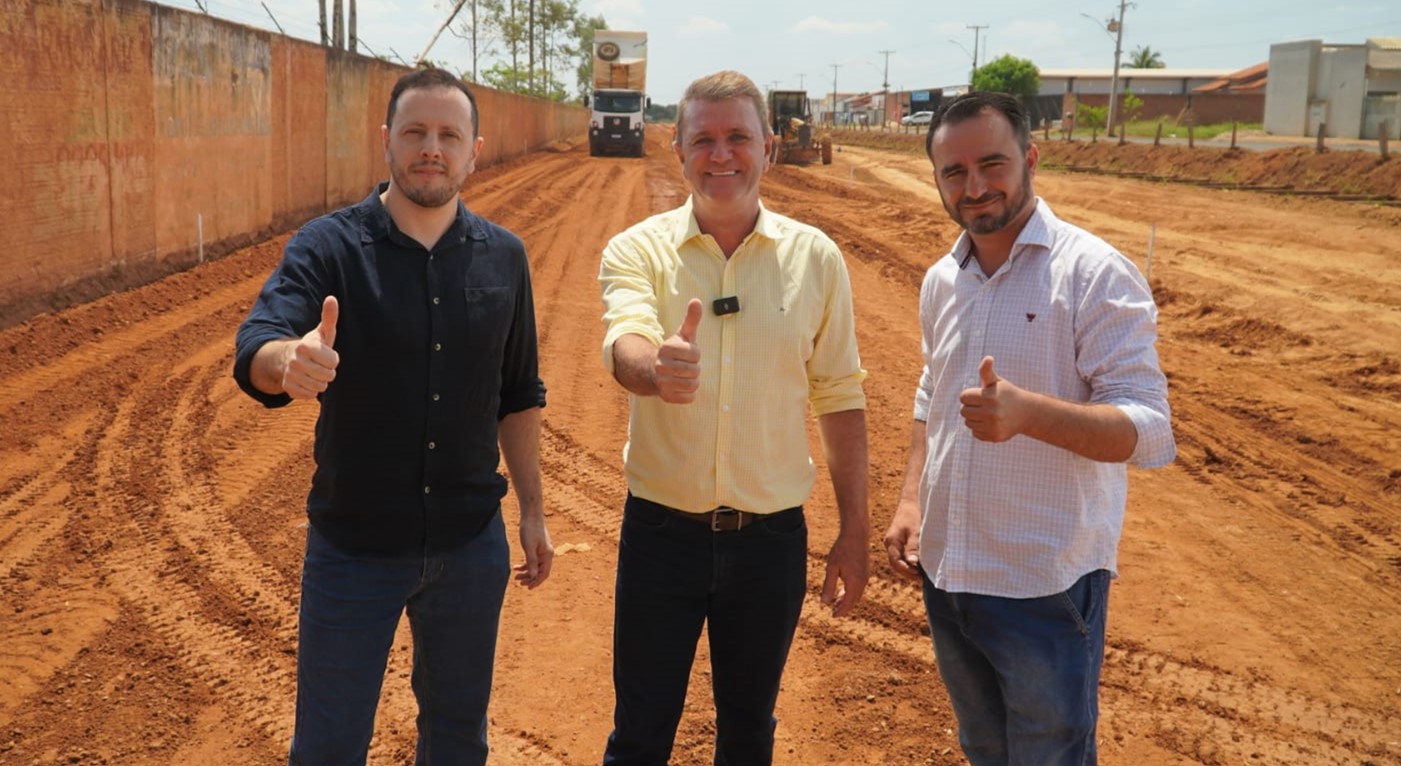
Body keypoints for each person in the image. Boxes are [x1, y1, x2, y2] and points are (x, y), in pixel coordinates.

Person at [232, 67, 552, 765]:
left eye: (448, 135)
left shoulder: (505, 257)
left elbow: (518, 390)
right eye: (415, 132)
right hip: (354, 550)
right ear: (387, 142)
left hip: (471, 547)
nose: (430, 148)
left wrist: (531, 509)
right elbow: (259, 341)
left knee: (458, 740)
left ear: (473, 149)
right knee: (327, 746)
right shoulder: (328, 248)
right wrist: (288, 361)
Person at [883, 91, 1175, 766]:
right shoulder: (940, 280)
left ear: (1030, 159)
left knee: (1048, 753)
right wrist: (909, 499)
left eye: (992, 163)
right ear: (934, 178)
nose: (974, 186)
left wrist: (1029, 414)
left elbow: (1150, 429)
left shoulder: (1092, 273)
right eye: (953, 171)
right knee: (984, 747)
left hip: (1042, 584)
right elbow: (932, 389)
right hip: (949, 572)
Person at [597, 70, 870, 766]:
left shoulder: (816, 260)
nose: (721, 156)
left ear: (769, 149)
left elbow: (838, 394)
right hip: (660, 535)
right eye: (704, 140)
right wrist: (653, 370)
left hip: (770, 545)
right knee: (639, 733)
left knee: (749, 733)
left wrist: (855, 531)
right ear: (677, 149)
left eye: (737, 138)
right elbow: (623, 339)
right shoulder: (637, 251)